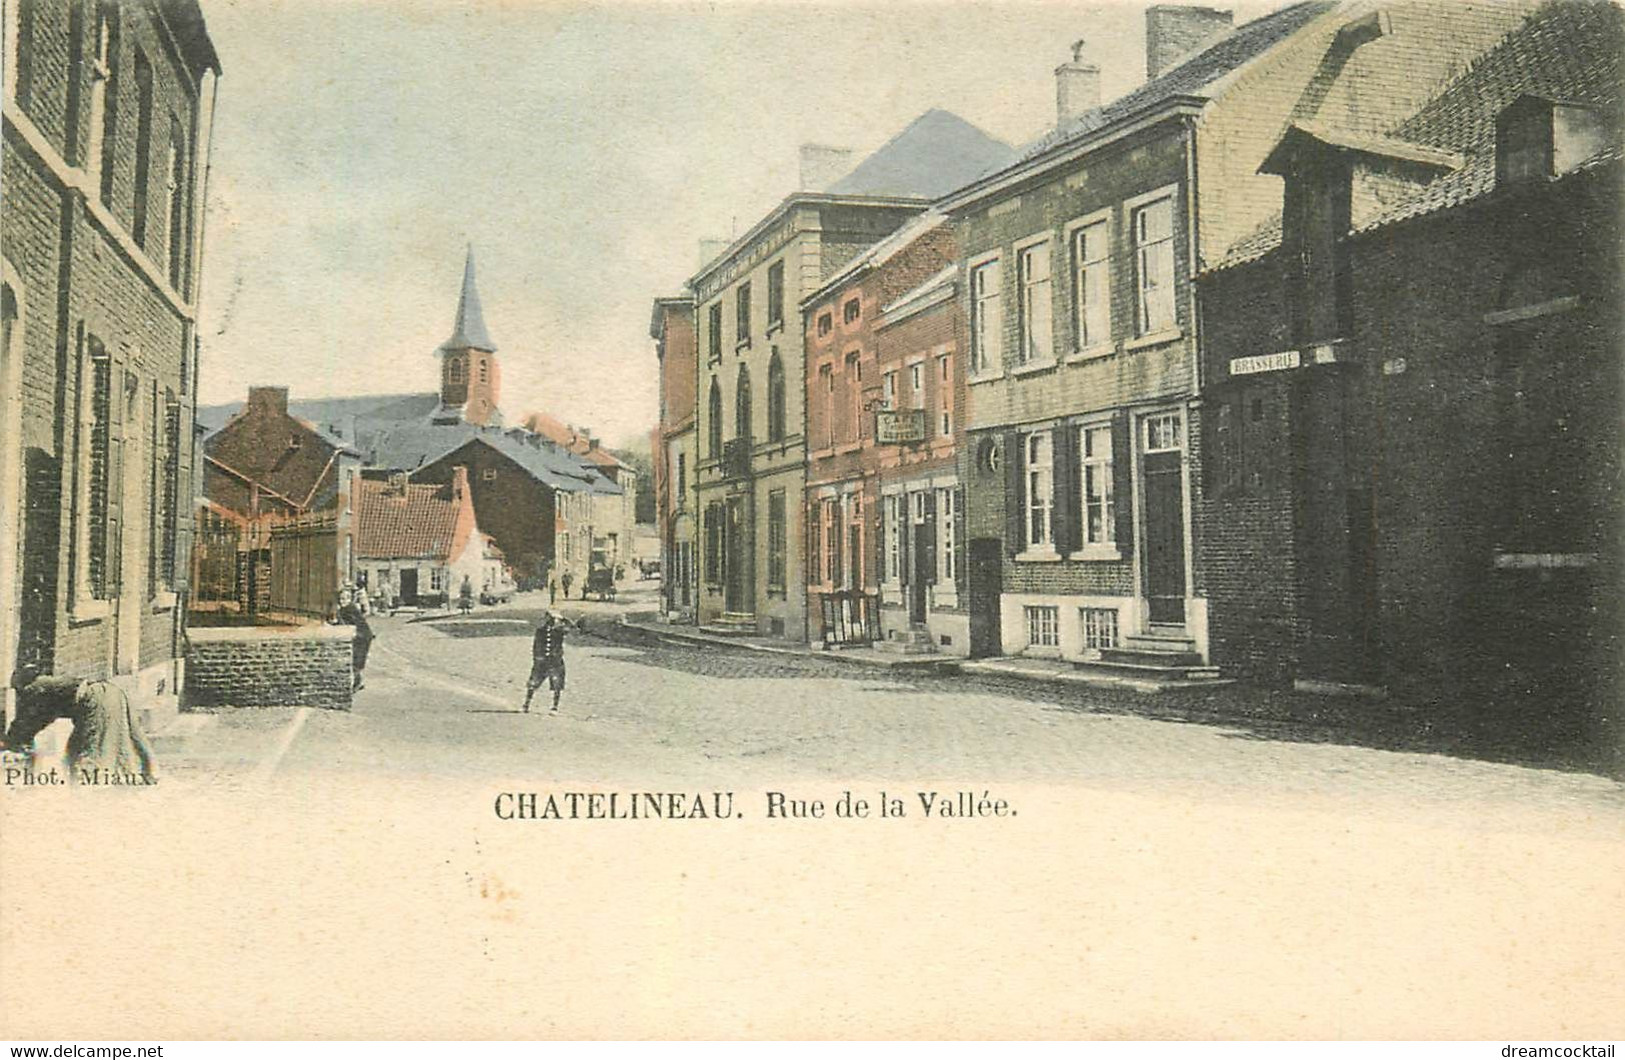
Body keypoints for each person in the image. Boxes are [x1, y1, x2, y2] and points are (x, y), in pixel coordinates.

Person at [522, 611, 570, 713]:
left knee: (557, 684)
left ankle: (555, 707)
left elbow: (572, 628)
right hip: (541, 662)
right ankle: (526, 704)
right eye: (550, 619)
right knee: (533, 683)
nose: (552, 621)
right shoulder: (540, 631)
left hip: (555, 662)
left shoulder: (559, 631)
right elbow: (536, 646)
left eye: (554, 619)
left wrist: (563, 619)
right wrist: (537, 658)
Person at [337, 585, 374, 692]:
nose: (343, 601)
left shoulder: (350, 609)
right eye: (341, 599)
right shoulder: (346, 609)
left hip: (362, 636)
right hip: (360, 636)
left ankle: (358, 683)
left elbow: (353, 624)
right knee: (355, 659)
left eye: (345, 599)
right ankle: (358, 682)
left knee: (357, 659)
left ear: (350, 599)